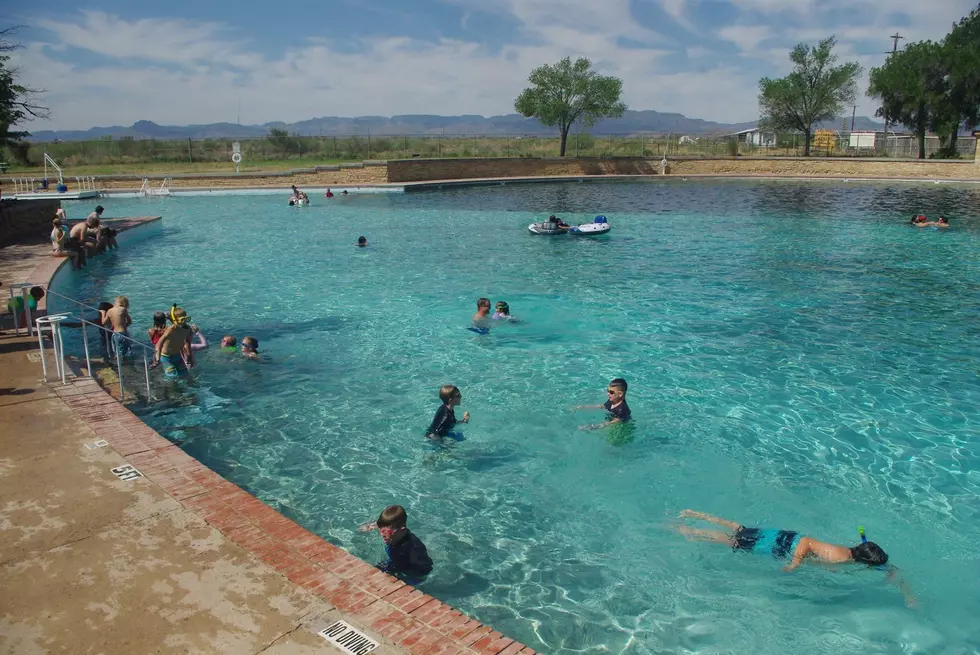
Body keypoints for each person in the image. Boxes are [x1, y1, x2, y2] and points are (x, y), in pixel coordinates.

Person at [676, 510, 915, 605]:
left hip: (785, 538)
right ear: (865, 562)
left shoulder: (853, 554)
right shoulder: (839, 557)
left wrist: (907, 594)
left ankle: (695, 515)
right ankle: (693, 531)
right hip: (786, 545)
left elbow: (891, 569)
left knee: (741, 530)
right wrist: (795, 563)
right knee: (735, 540)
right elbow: (807, 541)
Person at [357, 505, 433, 583]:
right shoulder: (396, 534)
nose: (383, 534)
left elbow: (394, 568)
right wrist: (371, 526)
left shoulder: (405, 550)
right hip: (398, 561)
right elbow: (385, 524)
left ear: (402, 530)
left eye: (386, 531)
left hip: (415, 575)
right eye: (381, 529)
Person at [155, 305, 194, 378]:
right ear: (176, 320)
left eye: (186, 319)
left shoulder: (188, 329)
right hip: (166, 357)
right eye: (182, 319)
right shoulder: (171, 329)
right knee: (172, 377)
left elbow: (188, 343)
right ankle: (168, 388)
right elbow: (158, 344)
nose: (185, 322)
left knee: (185, 374)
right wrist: (157, 359)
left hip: (177, 356)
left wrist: (190, 357)